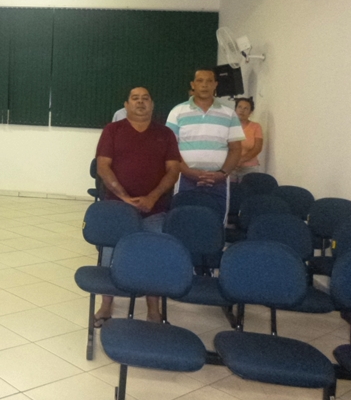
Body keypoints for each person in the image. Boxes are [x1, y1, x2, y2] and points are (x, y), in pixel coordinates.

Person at [94, 87, 181, 323]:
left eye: (145, 99)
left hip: (154, 209)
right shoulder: (112, 130)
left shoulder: (165, 134)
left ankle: (153, 309)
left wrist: (152, 197)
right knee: (109, 255)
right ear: (126, 105)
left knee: (153, 256)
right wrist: (123, 197)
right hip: (117, 208)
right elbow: (103, 166)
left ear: (152, 105)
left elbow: (173, 170)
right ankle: (106, 305)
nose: (140, 102)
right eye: (135, 99)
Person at [166, 68, 244, 219]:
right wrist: (189, 172)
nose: (204, 85)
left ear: (215, 84)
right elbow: (170, 149)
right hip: (185, 179)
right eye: (200, 81)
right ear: (193, 84)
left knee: (215, 223)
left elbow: (235, 149)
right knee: (182, 221)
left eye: (209, 81)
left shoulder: (229, 114)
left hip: (219, 181)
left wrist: (222, 174)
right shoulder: (177, 111)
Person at [232, 96, 263, 181]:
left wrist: (240, 160)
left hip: (250, 168)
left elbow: (257, 148)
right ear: (235, 109)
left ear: (250, 112)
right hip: (230, 167)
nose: (242, 110)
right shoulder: (228, 126)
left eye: (246, 108)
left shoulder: (256, 127)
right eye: (239, 107)